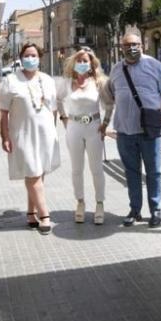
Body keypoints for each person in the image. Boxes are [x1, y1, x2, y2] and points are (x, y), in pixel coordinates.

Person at [107, 29, 161, 228]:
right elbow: (111, 93)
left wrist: (156, 112)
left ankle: (155, 210)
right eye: (127, 45)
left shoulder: (155, 66)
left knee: (153, 171)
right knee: (131, 172)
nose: (132, 48)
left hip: (149, 132)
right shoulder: (116, 69)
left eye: (135, 44)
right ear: (122, 48)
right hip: (124, 131)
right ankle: (135, 210)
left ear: (142, 46)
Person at [0, 43, 61, 235]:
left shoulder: (48, 80)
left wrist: (54, 130)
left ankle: (30, 213)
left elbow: (54, 109)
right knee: (32, 173)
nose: (30, 59)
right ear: (21, 57)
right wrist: (5, 136)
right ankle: (44, 215)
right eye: (27, 55)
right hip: (22, 135)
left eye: (34, 55)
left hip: (45, 135)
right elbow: (3, 113)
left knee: (39, 174)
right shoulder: (10, 80)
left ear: (40, 57)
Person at [56, 47, 114, 225]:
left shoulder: (99, 82)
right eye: (79, 60)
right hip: (74, 128)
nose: (82, 63)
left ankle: (99, 203)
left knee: (96, 169)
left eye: (85, 60)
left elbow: (110, 104)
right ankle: (80, 202)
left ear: (91, 64)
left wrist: (105, 124)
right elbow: (58, 100)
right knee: (76, 169)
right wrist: (64, 119)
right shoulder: (67, 82)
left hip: (94, 128)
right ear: (74, 62)